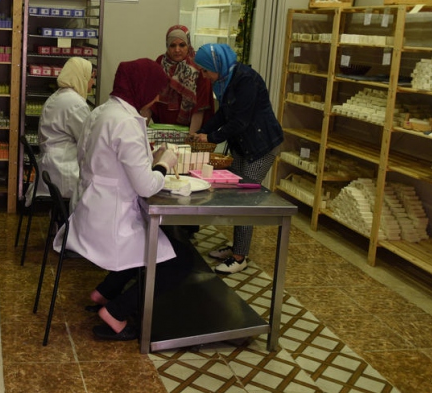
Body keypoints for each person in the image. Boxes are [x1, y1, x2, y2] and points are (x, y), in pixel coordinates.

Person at [54, 58, 193, 341]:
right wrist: (163, 164)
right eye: (156, 90)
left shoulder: (102, 111)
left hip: (90, 212)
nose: (157, 97)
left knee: (151, 244)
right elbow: (146, 187)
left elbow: (93, 159)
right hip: (110, 224)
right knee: (181, 261)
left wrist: (144, 161)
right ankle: (116, 312)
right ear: (142, 87)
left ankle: (104, 292)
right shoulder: (126, 122)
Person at [189, 43, 284, 274]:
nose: (204, 75)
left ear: (215, 65)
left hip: (261, 146)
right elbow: (224, 113)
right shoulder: (225, 80)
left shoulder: (246, 80)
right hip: (243, 145)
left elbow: (240, 121)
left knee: (246, 199)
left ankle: (240, 257)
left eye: (205, 70)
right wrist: (201, 132)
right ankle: (237, 246)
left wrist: (209, 136)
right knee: (238, 196)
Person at [35, 57, 94, 200]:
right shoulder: (75, 104)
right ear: (81, 77)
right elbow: (87, 140)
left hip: (53, 165)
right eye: (91, 77)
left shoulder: (59, 96)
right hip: (63, 170)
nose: (92, 82)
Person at [142, 25, 213, 133]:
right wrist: (140, 131)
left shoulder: (198, 67)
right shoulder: (160, 63)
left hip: (191, 128)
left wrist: (191, 138)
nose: (177, 50)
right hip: (162, 129)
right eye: (172, 45)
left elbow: (200, 107)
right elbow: (150, 101)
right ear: (167, 46)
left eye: (182, 45)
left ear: (188, 45)